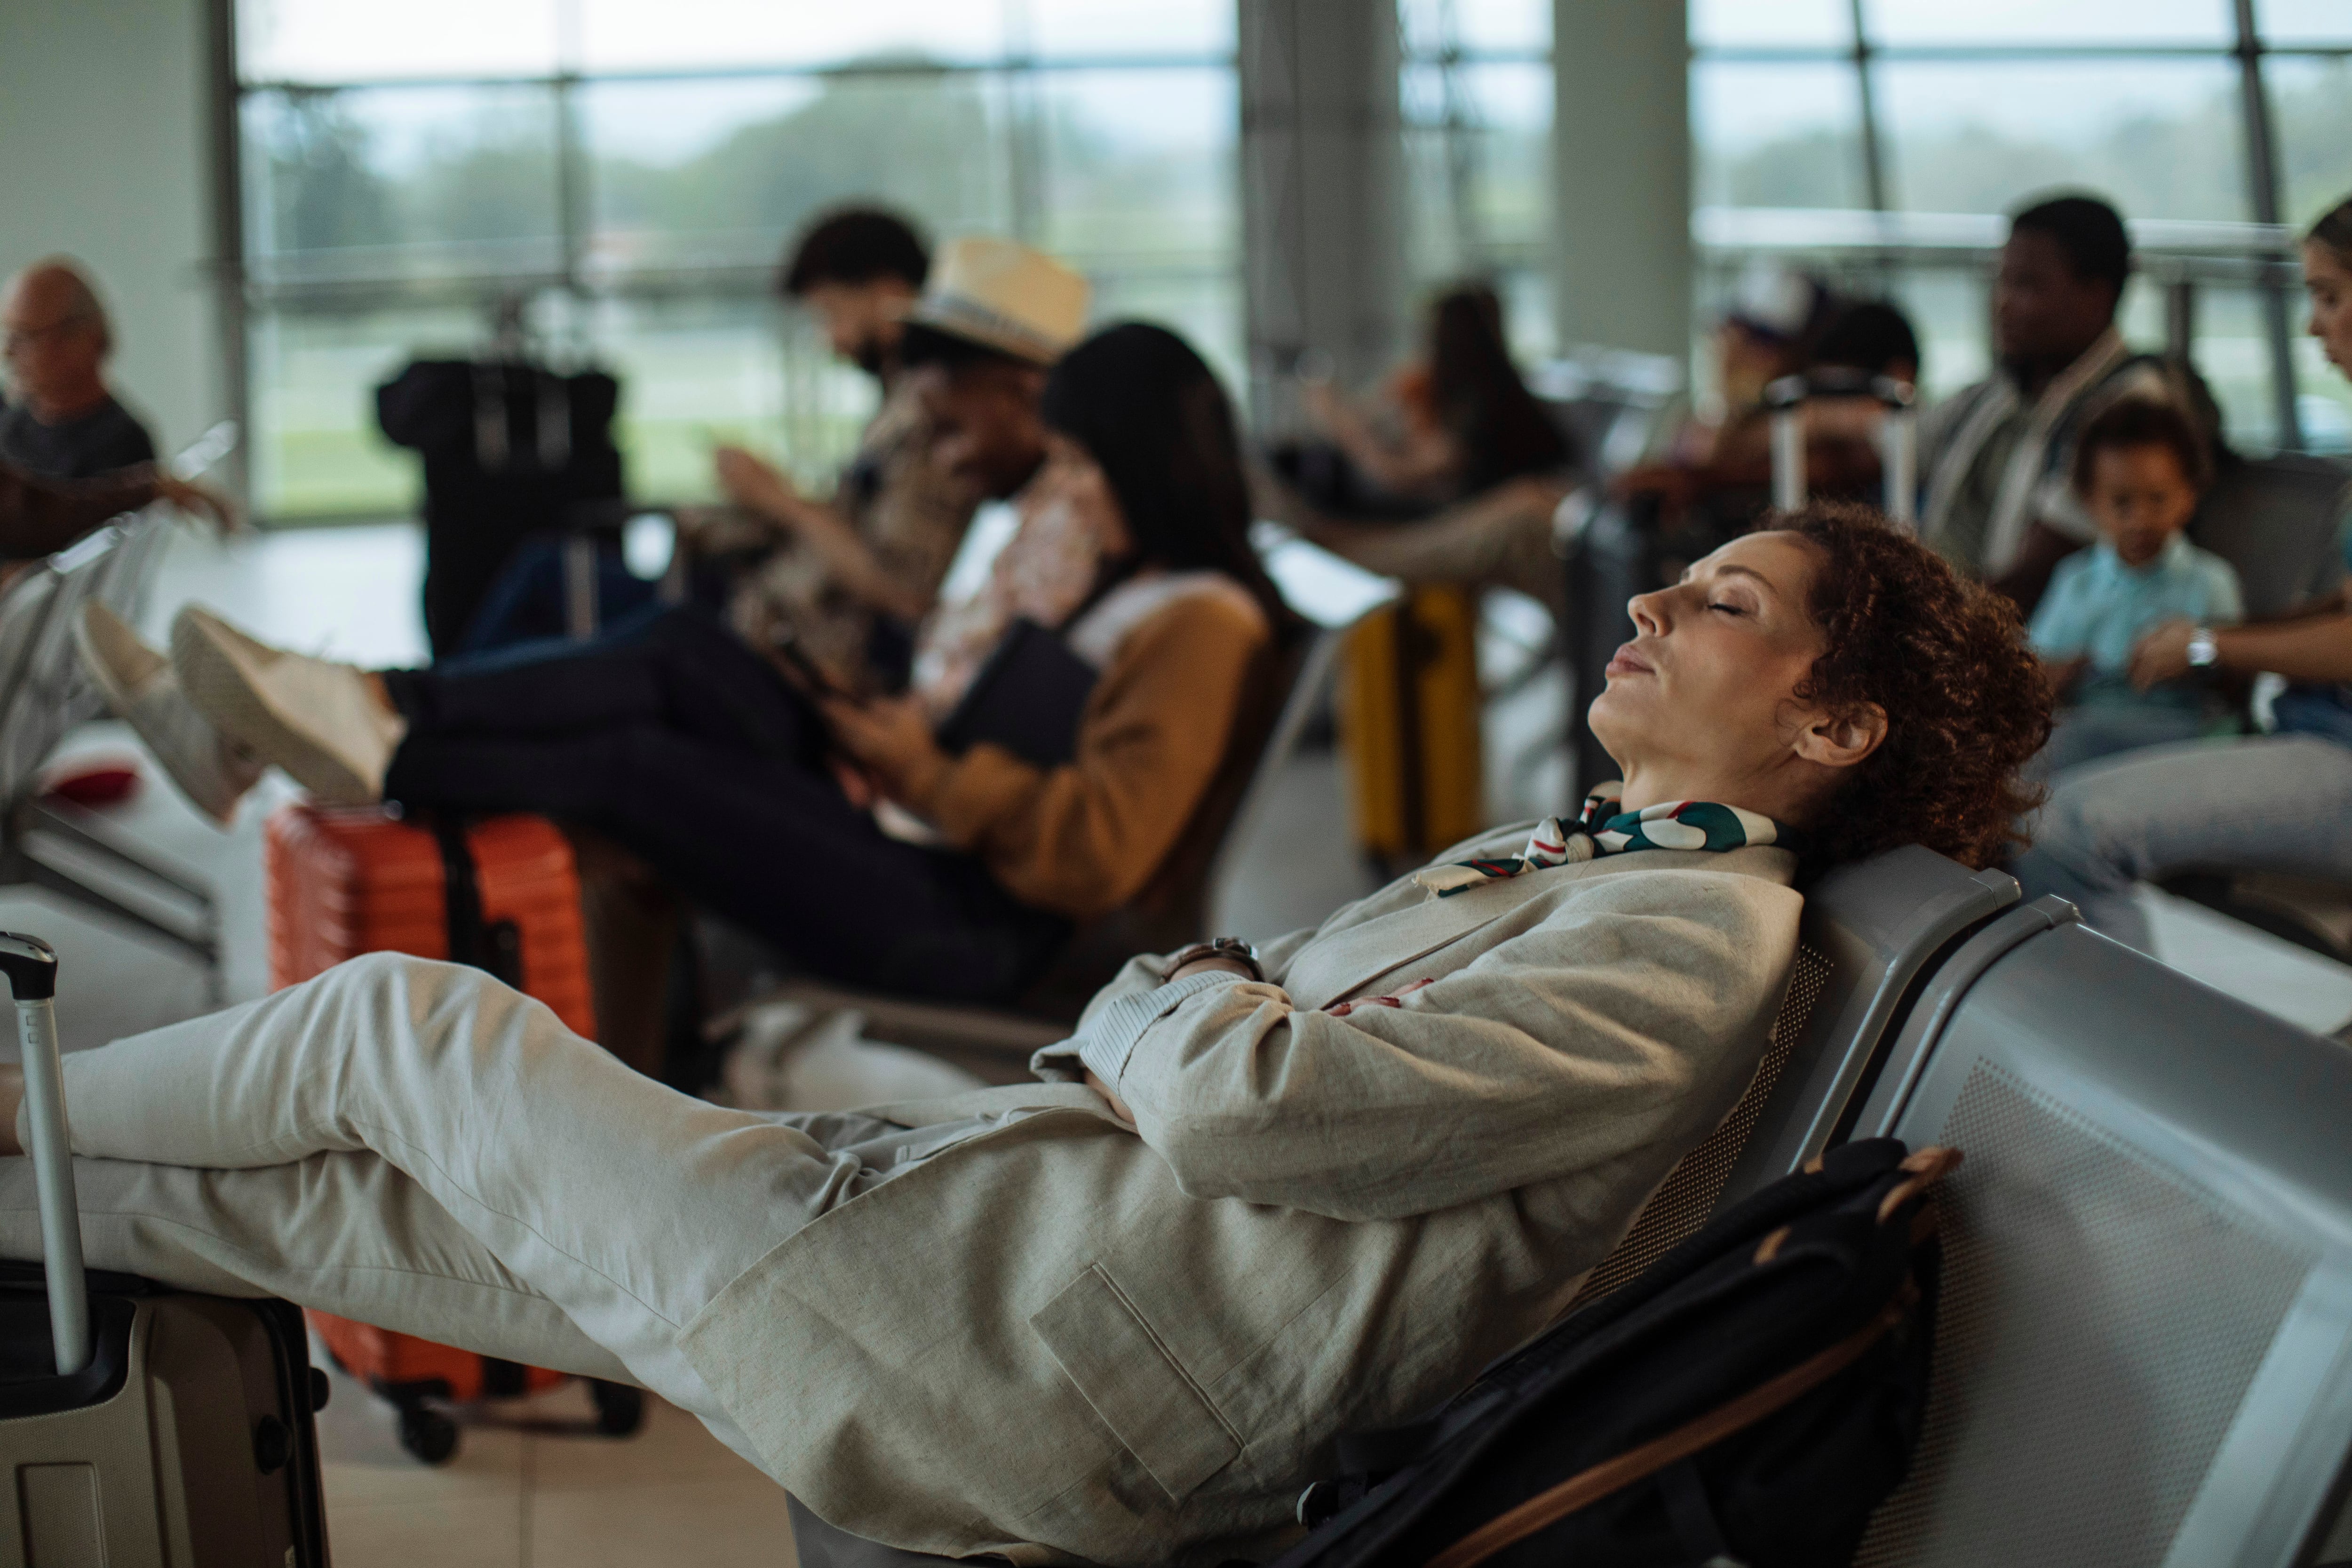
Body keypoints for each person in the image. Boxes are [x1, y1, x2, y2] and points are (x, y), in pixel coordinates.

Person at [0, 501, 2046, 1566]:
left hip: (1007, 1351)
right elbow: (1254, 1047)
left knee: (395, 1033)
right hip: (967, 1266)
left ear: (1826, 725)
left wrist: (1165, 984)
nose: (1652, 609)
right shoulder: (1604, 871)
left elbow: (1258, 1099)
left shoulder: (1685, 945)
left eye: (1717, 603)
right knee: (320, 1211)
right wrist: (1198, 994)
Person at [83, 324, 1282, 1008]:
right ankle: (360, 713)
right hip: (929, 829)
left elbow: (1100, 851)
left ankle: (350, 736)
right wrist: (901, 743)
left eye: (1081, 465)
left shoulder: (1196, 624)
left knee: (639, 767)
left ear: (1144, 462)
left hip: (985, 924)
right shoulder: (1130, 589)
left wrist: (924, 767)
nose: (1066, 495)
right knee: (676, 649)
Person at [2012, 192, 2352, 950]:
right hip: (2310, 730)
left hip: (2338, 753)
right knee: (2022, 794)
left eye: (2330, 296)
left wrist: (2208, 647)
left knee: (2062, 830)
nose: (2312, 324)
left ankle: (2132, 1056)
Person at [1918, 194, 2175, 612]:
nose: (2002, 303)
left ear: (2096, 296)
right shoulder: (2000, 391)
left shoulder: (2132, 407)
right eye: (2002, 282)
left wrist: (1924, 637)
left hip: (2012, 642)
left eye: (2027, 285)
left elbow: (2033, 579)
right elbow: (1892, 444)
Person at [1261, 283, 1578, 610]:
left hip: (1474, 526)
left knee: (1325, 542)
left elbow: (1397, 474)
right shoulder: (1455, 395)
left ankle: (1318, 550)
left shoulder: (1482, 406)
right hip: (1457, 519)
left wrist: (1339, 421)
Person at [2026, 396, 2241, 775]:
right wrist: (2058, 676)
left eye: (2158, 500)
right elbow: (2037, 669)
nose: (2140, 519)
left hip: (2181, 736)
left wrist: (2195, 659)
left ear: (2190, 495)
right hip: (2091, 733)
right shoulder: (2075, 581)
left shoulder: (2211, 581)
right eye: (2121, 502)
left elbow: (2237, 681)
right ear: (2089, 502)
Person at [0, 258, 157, 479]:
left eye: (25, 337)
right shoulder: (8, 418)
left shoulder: (121, 444)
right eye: (9, 336)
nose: (8, 352)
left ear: (81, 342)